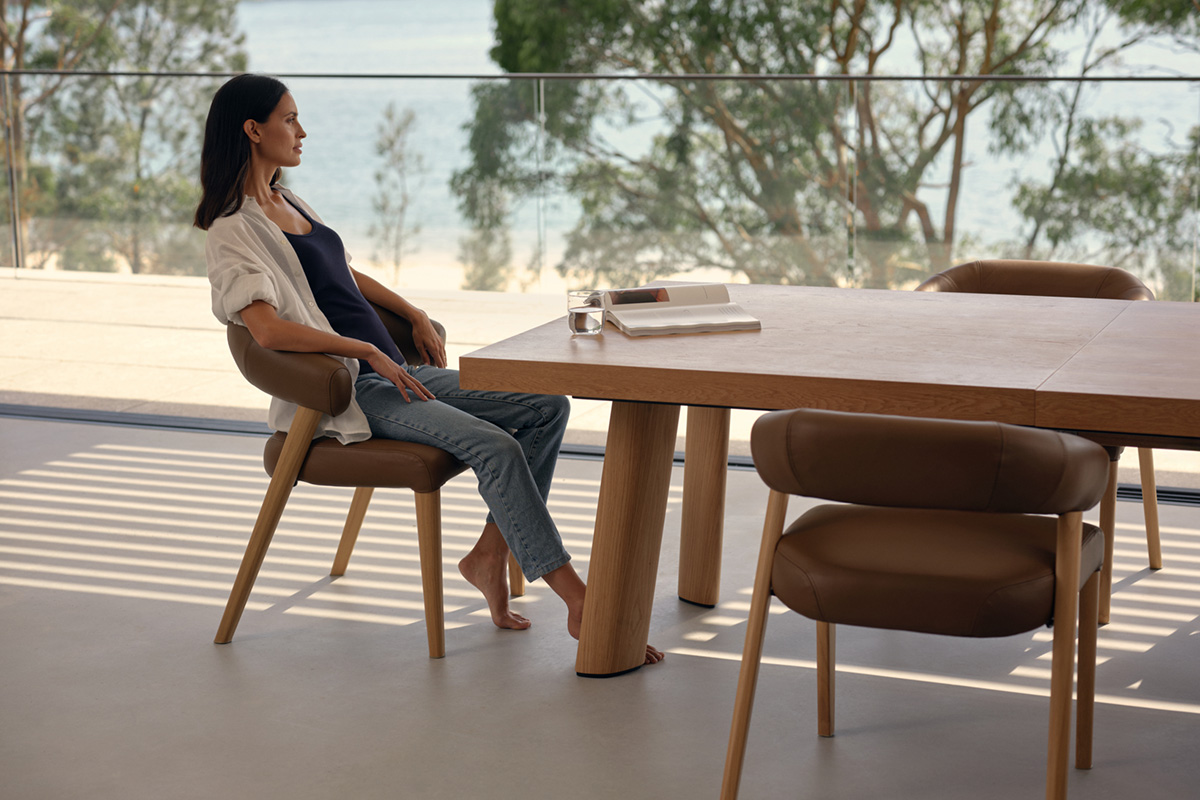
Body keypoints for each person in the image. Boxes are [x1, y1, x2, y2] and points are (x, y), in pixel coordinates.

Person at [195, 74, 662, 665]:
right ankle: (578, 599)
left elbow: (338, 273)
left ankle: (489, 556)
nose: (302, 130)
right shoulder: (232, 228)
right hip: (353, 394)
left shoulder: (287, 202)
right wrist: (364, 351)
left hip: (393, 372)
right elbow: (263, 328)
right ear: (253, 129)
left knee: (545, 407)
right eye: (290, 119)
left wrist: (409, 311)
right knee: (496, 446)